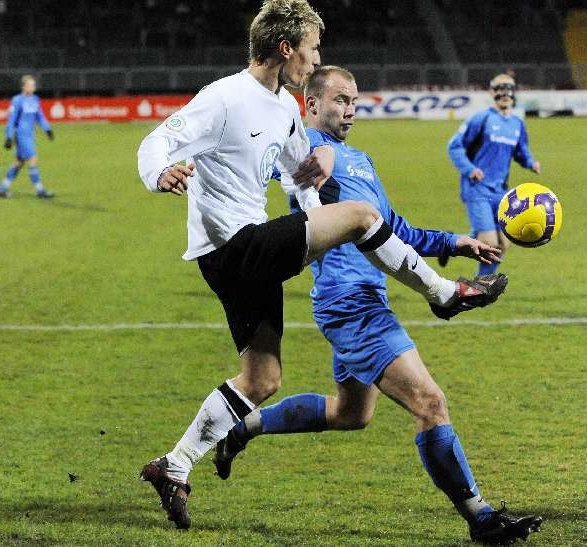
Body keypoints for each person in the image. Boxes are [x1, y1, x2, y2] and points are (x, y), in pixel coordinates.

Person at [136, 0, 508, 531]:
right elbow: (158, 140)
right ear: (285, 47)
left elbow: (299, 174)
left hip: (252, 258)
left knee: (261, 380)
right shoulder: (225, 97)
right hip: (232, 246)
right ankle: (443, 294)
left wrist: (314, 193)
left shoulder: (284, 108)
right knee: (360, 215)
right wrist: (160, 175)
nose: (314, 61)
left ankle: (174, 465)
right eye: (312, 50)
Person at [212, 66, 542, 545]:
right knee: (430, 403)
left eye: (354, 101)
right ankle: (482, 519)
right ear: (311, 104)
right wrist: (315, 152)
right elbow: (293, 162)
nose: (350, 110)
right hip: (351, 303)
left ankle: (243, 427)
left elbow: (394, 229)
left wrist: (455, 242)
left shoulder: (360, 159)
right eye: (339, 100)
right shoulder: (306, 151)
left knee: (351, 414)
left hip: (366, 296)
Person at [444, 73, 541, 276]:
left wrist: (530, 162)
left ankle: (449, 245)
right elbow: (455, 146)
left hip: (501, 191)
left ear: (514, 93)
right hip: (477, 188)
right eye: (499, 89)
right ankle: (481, 285)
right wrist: (470, 169)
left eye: (509, 89)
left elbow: (521, 150)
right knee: (489, 242)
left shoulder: (517, 124)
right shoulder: (481, 119)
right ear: (491, 92)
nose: (505, 93)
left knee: (504, 242)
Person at [0, 75, 55, 199]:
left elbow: (40, 116)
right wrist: (8, 137)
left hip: (30, 135)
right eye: (30, 85)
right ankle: (40, 190)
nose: (33, 88)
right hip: (21, 135)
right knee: (33, 159)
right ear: (24, 87)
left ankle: (3, 189)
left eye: (34, 85)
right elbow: (11, 120)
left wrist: (47, 129)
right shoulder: (17, 100)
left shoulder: (35, 99)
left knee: (19, 163)